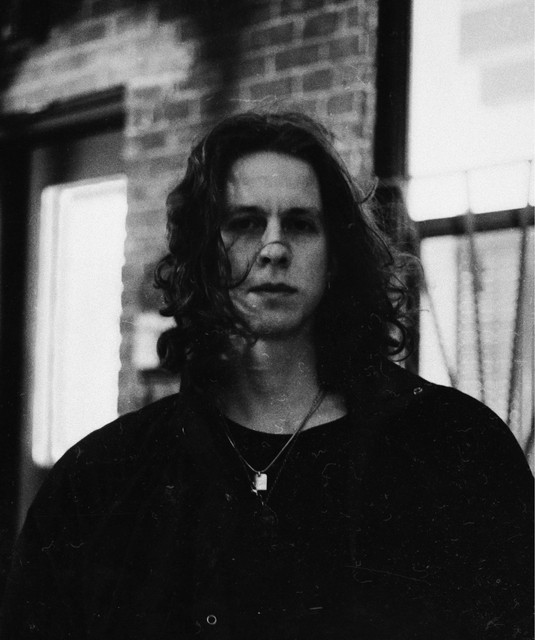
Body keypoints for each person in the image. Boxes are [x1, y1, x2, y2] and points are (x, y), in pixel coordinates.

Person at [1, 112, 532, 639]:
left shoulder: (457, 450)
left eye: (300, 224)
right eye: (245, 223)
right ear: (204, 254)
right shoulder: (102, 482)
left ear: (335, 258)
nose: (274, 249)